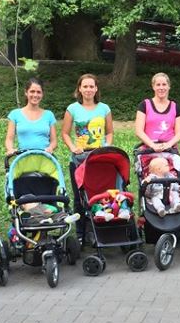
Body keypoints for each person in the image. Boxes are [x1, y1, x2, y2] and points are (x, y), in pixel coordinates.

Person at [62, 74, 113, 242]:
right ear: (79, 88)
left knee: (100, 195)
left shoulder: (104, 108)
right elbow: (65, 133)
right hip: (80, 158)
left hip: (99, 158)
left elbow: (109, 132)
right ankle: (80, 234)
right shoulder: (72, 109)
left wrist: (107, 146)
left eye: (91, 86)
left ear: (96, 89)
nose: (88, 89)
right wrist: (73, 148)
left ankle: (100, 230)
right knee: (79, 198)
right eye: (85, 86)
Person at [6, 78, 58, 154]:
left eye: (38, 92)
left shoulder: (49, 115)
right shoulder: (15, 114)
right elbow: (9, 139)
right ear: (26, 92)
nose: (35, 95)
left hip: (44, 158)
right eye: (32, 91)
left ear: (42, 94)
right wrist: (10, 149)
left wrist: (50, 148)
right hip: (23, 157)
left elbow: (54, 141)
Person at [135, 72, 180, 154]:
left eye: (164, 84)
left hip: (169, 149)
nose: (161, 88)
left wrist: (168, 145)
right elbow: (139, 131)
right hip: (148, 148)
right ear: (153, 87)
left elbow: (179, 133)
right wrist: (153, 145)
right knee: (158, 162)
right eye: (158, 85)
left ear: (169, 86)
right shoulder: (144, 105)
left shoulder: (175, 107)